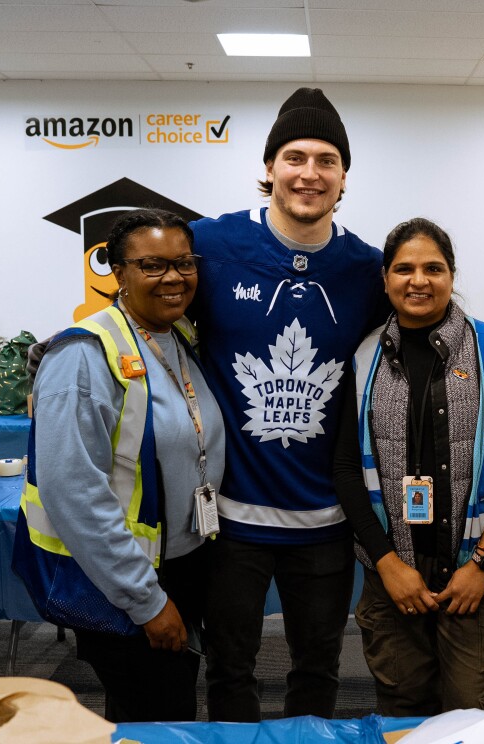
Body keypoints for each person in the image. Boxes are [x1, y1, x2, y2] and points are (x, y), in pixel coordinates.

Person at [187, 87, 386, 722]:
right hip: (230, 520)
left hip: (325, 521)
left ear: (344, 177)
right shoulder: (209, 244)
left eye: (326, 160)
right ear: (269, 167)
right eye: (295, 157)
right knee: (229, 671)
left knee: (318, 671)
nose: (309, 173)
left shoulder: (369, 271)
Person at [12, 209, 225, 723]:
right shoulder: (85, 355)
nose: (173, 277)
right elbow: (73, 493)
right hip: (126, 578)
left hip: (179, 562)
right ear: (117, 272)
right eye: (152, 265)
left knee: (165, 709)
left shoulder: (179, 339)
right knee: (153, 716)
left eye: (183, 263)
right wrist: (145, 601)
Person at [335, 218, 484, 715]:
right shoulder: (362, 358)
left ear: (452, 274)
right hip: (393, 573)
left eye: (432, 268)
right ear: (385, 280)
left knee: (475, 708)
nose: (417, 280)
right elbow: (345, 469)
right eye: (404, 269)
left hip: (474, 573)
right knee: (404, 708)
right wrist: (387, 565)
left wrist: (483, 565)